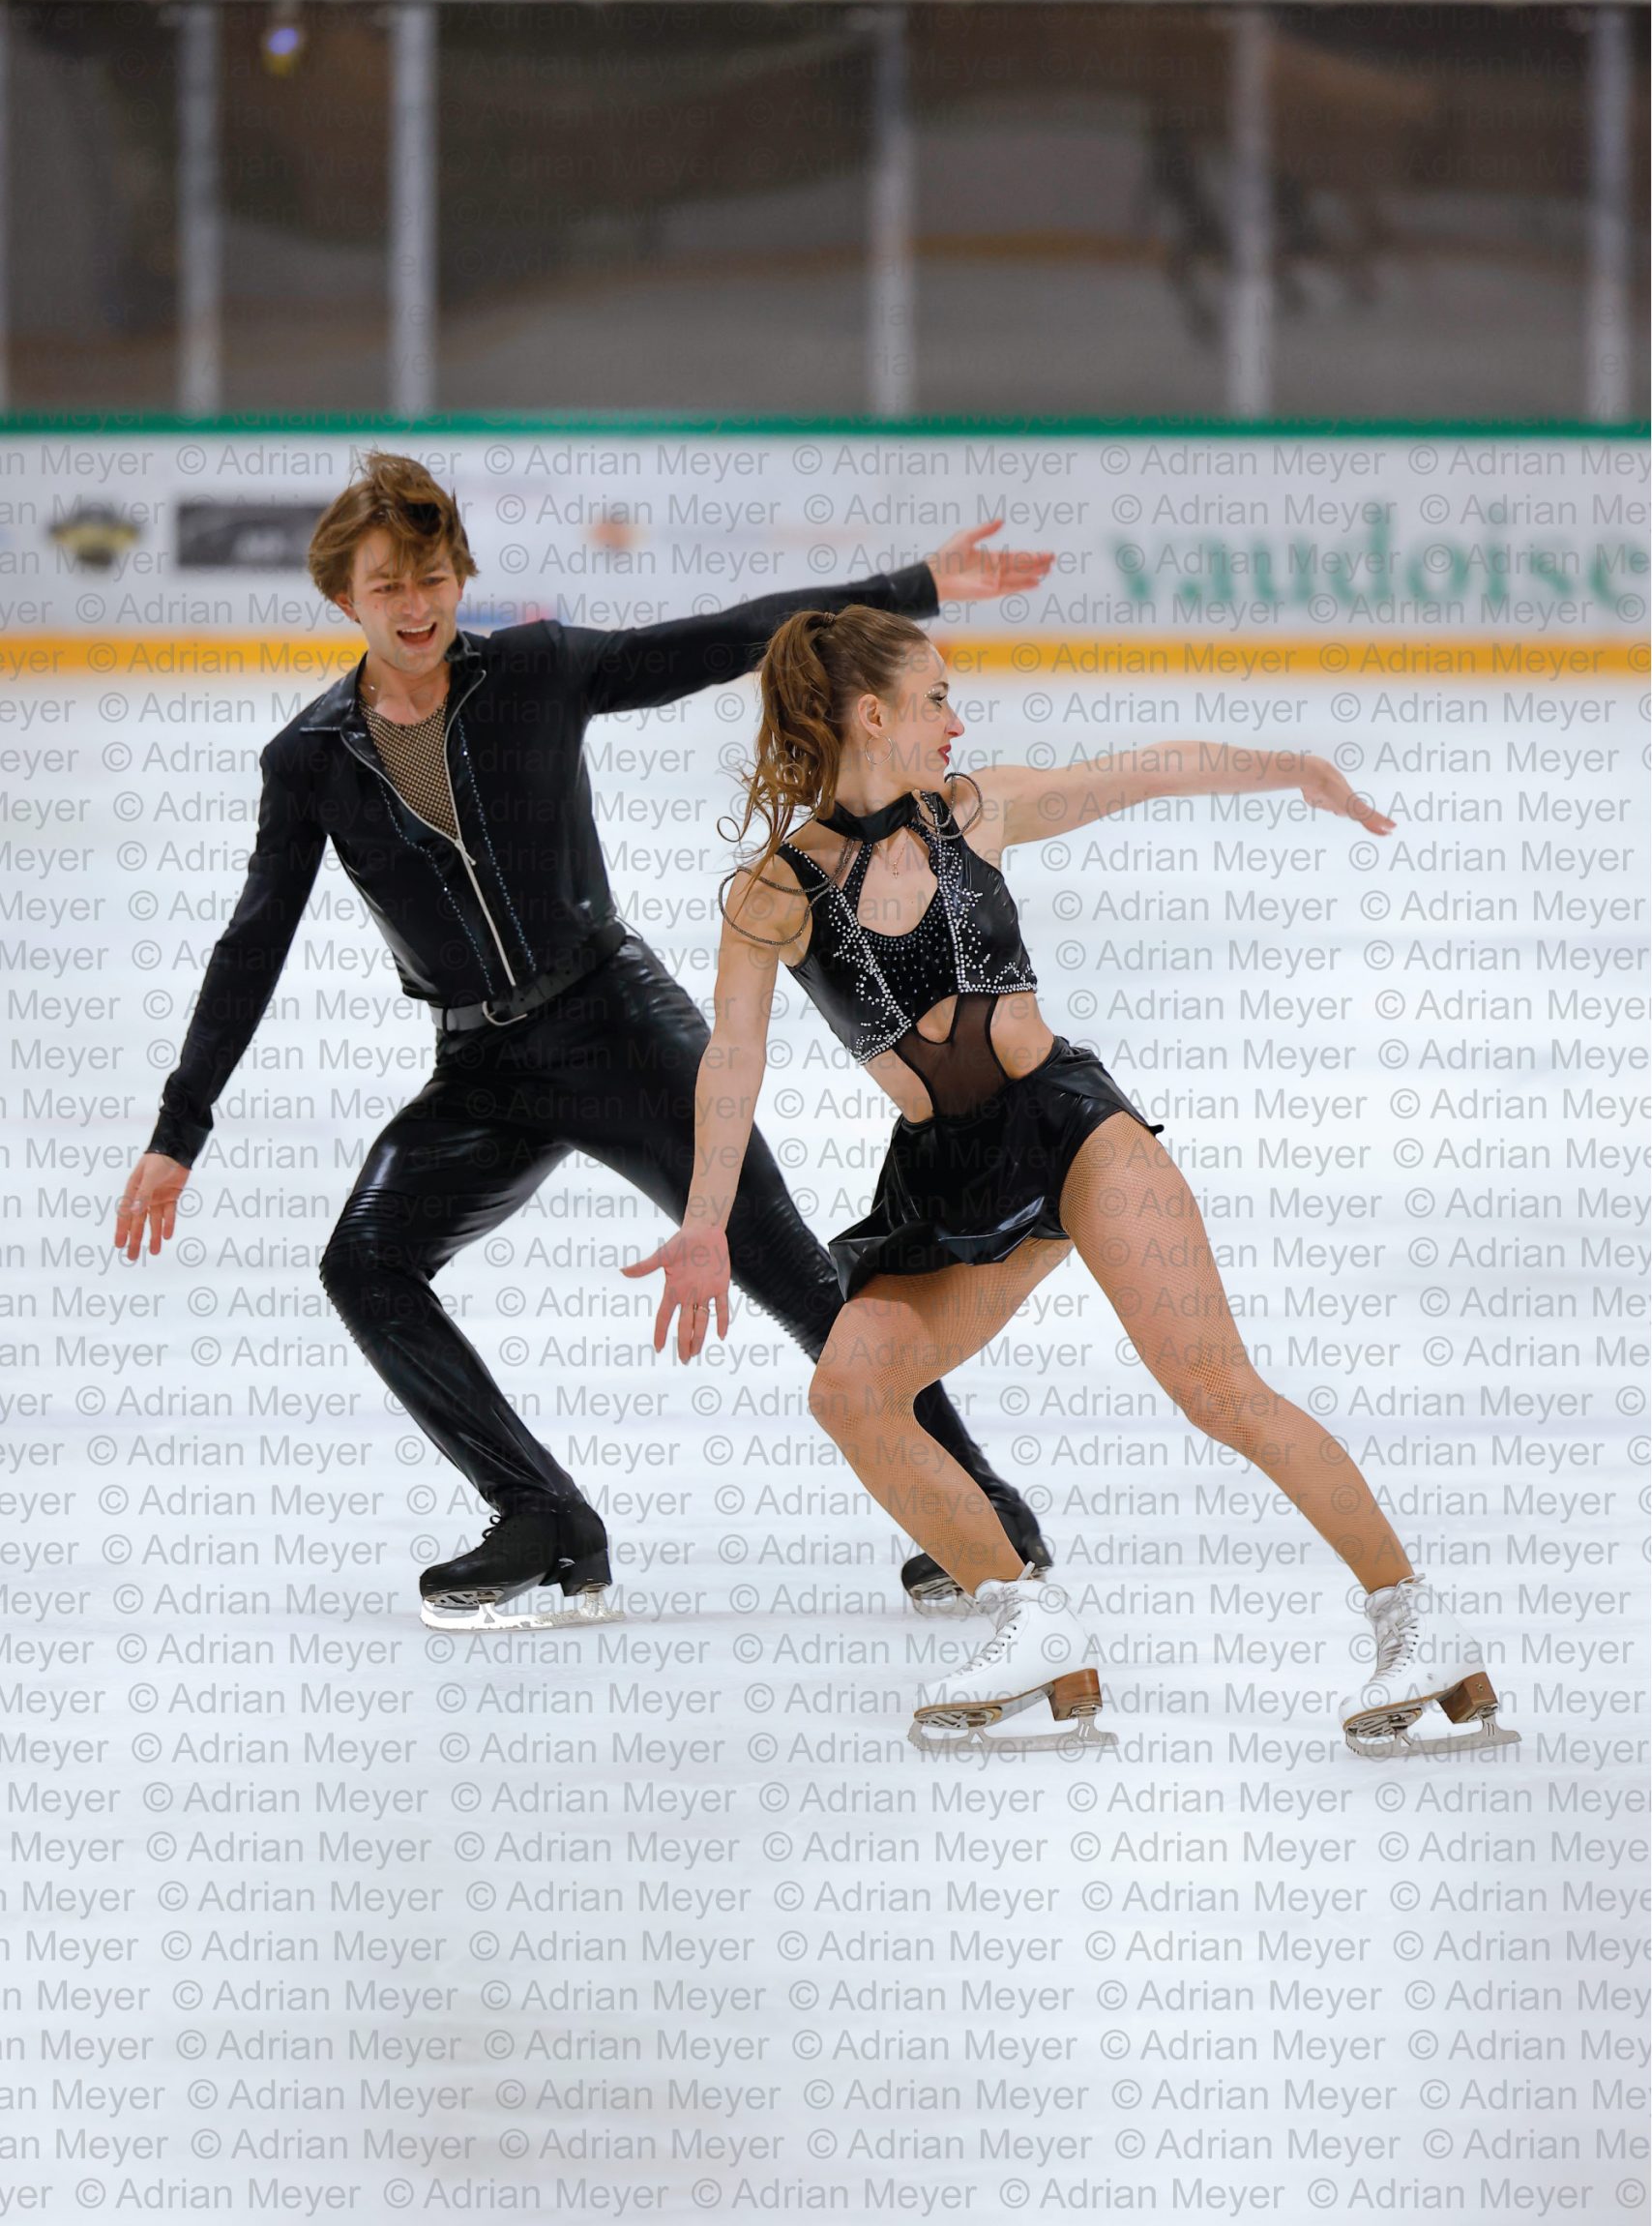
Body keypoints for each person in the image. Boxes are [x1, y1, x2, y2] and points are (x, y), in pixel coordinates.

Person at [112, 452, 1057, 1633]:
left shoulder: (536, 673)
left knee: (785, 1269)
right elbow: (252, 943)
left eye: (434, 576)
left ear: (460, 575)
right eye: (388, 585)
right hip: (480, 1069)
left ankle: (984, 1513)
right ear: (342, 599)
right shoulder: (310, 763)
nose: (417, 606)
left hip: (615, 1021)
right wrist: (177, 1130)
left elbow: (721, 635)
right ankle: (544, 1517)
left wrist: (910, 583)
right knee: (364, 1262)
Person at [627, 605, 1520, 1761]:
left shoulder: (977, 812)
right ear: (872, 713)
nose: (956, 720)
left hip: (1071, 1130)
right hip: (946, 1178)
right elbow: (731, 1061)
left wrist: (1290, 768)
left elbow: (1140, 773)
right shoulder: (777, 891)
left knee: (1214, 1386)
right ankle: (1027, 1618)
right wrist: (704, 1224)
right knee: (849, 1390)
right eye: (936, 698)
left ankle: (1415, 1616)